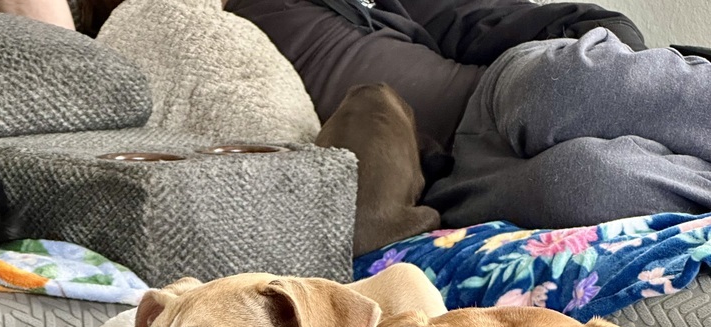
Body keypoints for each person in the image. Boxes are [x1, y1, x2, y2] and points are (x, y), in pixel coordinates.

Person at [227, 0, 711, 229]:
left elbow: (506, 19)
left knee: (555, 88)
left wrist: (623, 70)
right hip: (446, 177)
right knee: (587, 184)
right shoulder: (238, 20)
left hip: (496, 89)